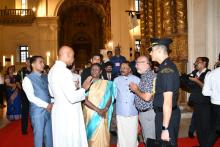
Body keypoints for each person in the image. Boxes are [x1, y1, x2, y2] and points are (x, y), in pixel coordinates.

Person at [48, 46, 91, 147]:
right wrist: (83, 88)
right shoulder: (64, 71)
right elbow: (72, 97)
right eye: (72, 56)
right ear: (67, 55)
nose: (73, 59)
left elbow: (51, 92)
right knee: (71, 140)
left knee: (61, 140)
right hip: (69, 111)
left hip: (59, 109)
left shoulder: (52, 70)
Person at [149, 38, 181, 144]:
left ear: (158, 51)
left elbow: (168, 101)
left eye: (151, 50)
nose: (150, 53)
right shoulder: (163, 67)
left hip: (167, 116)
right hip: (163, 114)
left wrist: (165, 128)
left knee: (167, 144)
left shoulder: (167, 70)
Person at [22, 56, 53, 147]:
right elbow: (31, 97)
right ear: (33, 64)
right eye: (40, 62)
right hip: (37, 112)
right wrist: (46, 105)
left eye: (43, 62)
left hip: (48, 110)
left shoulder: (45, 77)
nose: (43, 64)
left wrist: (52, 102)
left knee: (49, 136)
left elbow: (50, 92)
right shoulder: (27, 79)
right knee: (39, 137)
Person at [83, 63, 116, 147]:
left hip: (103, 112)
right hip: (90, 113)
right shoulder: (87, 83)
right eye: (92, 69)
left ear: (101, 71)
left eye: (96, 69)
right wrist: (98, 110)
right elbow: (84, 99)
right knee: (91, 135)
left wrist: (105, 109)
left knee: (103, 134)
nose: (94, 71)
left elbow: (110, 97)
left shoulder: (107, 83)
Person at [129, 56, 156, 143]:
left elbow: (147, 97)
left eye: (137, 63)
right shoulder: (145, 76)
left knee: (150, 140)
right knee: (147, 139)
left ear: (145, 63)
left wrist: (135, 89)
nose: (136, 66)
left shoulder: (149, 76)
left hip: (148, 113)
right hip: (145, 113)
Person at [114, 62, 140, 147]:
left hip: (132, 109)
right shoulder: (116, 80)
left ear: (130, 69)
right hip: (121, 110)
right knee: (121, 132)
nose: (122, 69)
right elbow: (114, 95)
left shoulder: (136, 79)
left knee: (132, 131)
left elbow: (140, 94)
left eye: (125, 67)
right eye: (121, 67)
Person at [188, 57, 211, 147]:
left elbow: (206, 88)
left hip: (204, 103)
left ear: (204, 63)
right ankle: (202, 143)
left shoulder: (208, 73)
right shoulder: (195, 73)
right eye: (195, 61)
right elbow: (188, 82)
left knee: (204, 126)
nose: (195, 63)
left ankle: (205, 144)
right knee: (198, 124)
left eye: (198, 62)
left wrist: (196, 80)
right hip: (196, 101)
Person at [203, 66, 220, 146]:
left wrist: (215, 94)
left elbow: (205, 92)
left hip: (215, 106)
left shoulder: (211, 73)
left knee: (214, 130)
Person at [16, 57, 31, 134]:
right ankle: (24, 130)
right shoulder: (22, 71)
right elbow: (17, 81)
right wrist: (21, 88)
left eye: (30, 62)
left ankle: (33, 127)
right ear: (26, 62)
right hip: (24, 94)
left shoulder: (34, 70)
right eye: (28, 62)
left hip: (33, 94)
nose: (29, 63)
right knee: (25, 112)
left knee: (33, 111)